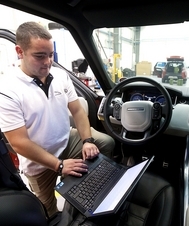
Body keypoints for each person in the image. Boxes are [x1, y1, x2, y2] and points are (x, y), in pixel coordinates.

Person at [0, 21, 115, 218]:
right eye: (39, 56)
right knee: (47, 213)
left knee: (105, 143)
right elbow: (19, 142)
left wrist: (87, 141)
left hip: (66, 141)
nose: (48, 62)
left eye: (51, 55)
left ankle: (88, 192)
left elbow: (78, 111)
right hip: (38, 162)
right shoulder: (7, 89)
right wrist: (59, 165)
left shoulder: (60, 75)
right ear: (20, 51)